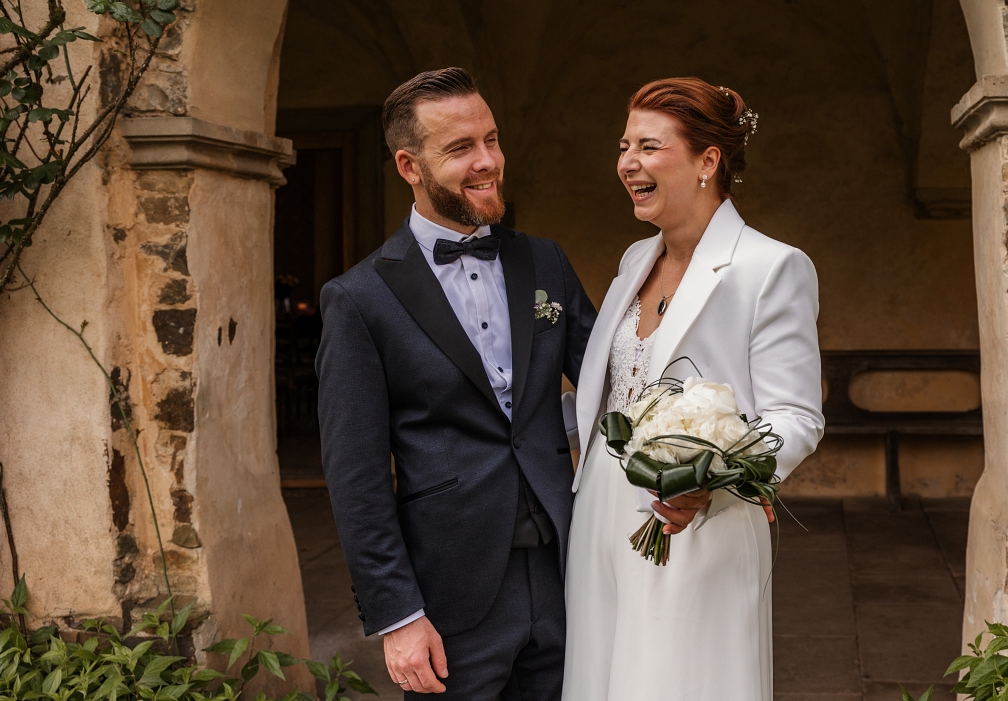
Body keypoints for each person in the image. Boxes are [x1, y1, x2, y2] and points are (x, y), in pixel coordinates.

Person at [316, 67, 596, 699]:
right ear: (409, 166)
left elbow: (614, 385)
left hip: (567, 571)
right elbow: (356, 473)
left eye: (491, 140)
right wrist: (398, 615)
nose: (487, 161)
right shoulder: (359, 299)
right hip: (450, 597)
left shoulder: (545, 261)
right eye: (461, 148)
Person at [562, 77, 825, 700]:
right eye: (624, 146)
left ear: (708, 161)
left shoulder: (771, 267)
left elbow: (796, 417)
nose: (628, 163)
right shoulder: (634, 260)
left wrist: (713, 480)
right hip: (599, 512)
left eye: (649, 147)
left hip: (697, 521)